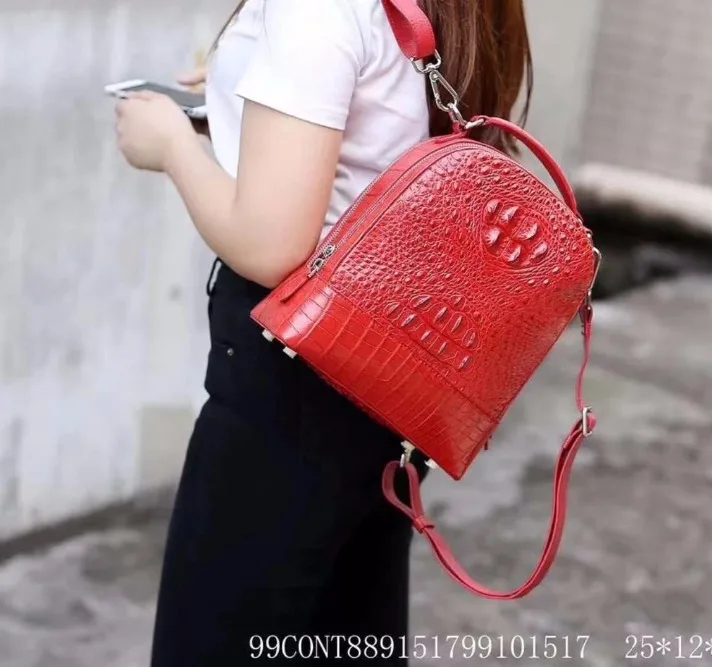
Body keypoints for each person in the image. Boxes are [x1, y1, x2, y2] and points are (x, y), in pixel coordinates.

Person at [112, 0, 532, 664]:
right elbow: (383, 127)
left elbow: (271, 244)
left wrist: (170, 144)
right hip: (398, 376)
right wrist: (252, 92)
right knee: (346, 632)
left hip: (294, 382)